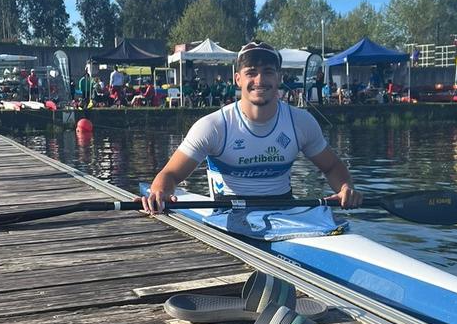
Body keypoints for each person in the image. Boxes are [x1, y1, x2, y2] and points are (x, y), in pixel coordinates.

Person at [142, 41, 363, 214]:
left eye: (268, 72)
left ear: (279, 78)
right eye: (251, 73)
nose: (260, 80)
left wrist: (345, 189)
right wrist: (159, 193)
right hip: (227, 212)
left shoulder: (301, 122)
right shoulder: (214, 126)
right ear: (238, 79)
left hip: (284, 211)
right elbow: (169, 174)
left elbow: (332, 166)